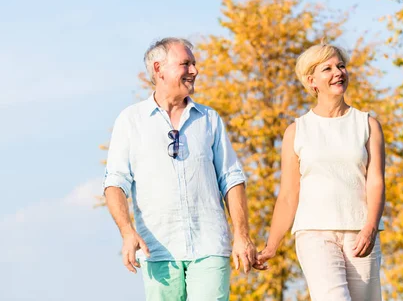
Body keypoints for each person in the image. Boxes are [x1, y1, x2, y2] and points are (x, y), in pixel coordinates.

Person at [103, 37, 257, 301]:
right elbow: (115, 183)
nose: (194, 71)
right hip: (157, 248)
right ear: (158, 68)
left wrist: (242, 236)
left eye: (194, 64)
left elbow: (232, 179)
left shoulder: (209, 119)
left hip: (210, 244)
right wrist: (127, 232)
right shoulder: (131, 120)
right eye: (186, 64)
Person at [256, 43, 386, 300]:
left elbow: (376, 182)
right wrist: (272, 244)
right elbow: (289, 194)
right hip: (314, 233)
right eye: (327, 68)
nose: (338, 72)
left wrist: (370, 227)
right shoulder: (297, 131)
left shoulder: (368, 125)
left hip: (360, 231)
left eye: (340, 66)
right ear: (311, 81)